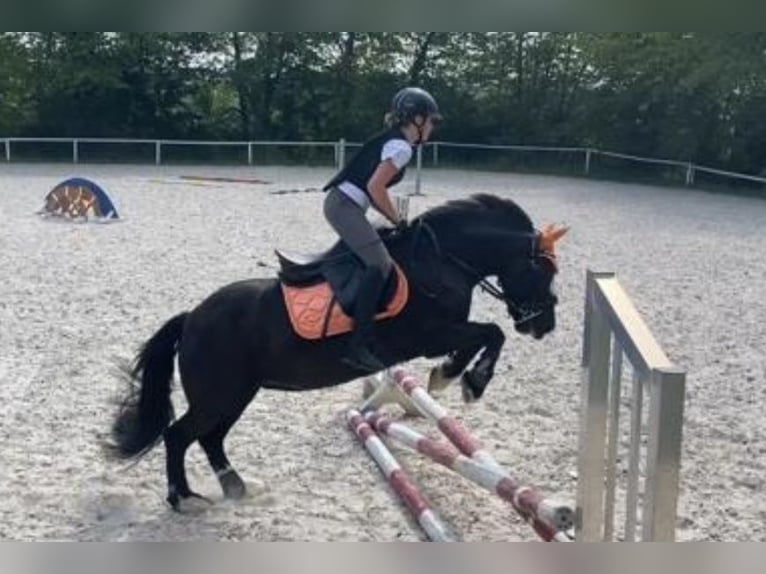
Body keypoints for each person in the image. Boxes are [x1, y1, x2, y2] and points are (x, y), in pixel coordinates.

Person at [323, 86, 442, 372]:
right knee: (379, 263)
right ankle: (358, 345)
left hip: (346, 203)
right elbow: (375, 188)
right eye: (431, 120)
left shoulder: (395, 142)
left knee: (378, 253)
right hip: (344, 206)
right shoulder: (401, 147)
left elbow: (372, 191)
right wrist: (398, 221)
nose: (433, 126)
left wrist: (392, 218)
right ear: (416, 119)